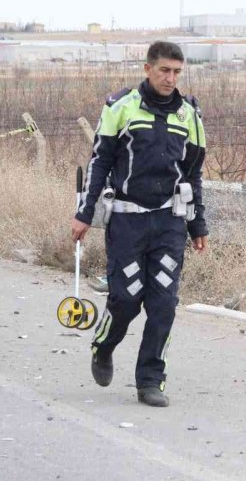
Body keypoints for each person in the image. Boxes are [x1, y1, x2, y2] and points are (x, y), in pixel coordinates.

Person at [71, 40, 208, 407]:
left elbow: (193, 174)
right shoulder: (121, 107)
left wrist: (198, 224)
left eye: (177, 72)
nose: (170, 78)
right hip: (127, 222)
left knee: (164, 304)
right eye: (164, 70)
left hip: (169, 222)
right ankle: (104, 345)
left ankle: (150, 381)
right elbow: (100, 161)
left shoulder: (189, 115)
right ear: (148, 69)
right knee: (127, 299)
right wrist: (84, 213)